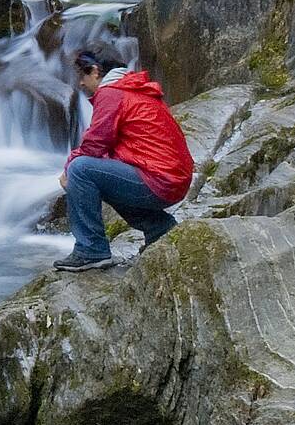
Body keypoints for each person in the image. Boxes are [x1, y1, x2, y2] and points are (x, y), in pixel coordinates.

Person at [53, 51, 195, 272]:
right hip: (174, 179)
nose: (80, 82)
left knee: (81, 169)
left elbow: (96, 143)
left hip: (159, 180)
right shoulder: (132, 89)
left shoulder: (112, 93)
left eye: (83, 74)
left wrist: (68, 167)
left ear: (96, 71)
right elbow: (106, 148)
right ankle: (160, 229)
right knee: (102, 172)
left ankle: (91, 250)